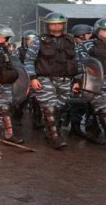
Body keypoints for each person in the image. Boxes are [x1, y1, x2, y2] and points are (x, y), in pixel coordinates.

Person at [24, 12, 80, 149]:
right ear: (48, 25)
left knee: (59, 109)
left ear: (63, 25)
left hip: (66, 80)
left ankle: (49, 133)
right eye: (53, 23)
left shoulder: (71, 40)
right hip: (44, 79)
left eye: (59, 23)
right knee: (49, 108)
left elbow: (77, 61)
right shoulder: (39, 40)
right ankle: (56, 137)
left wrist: (77, 80)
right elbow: (29, 60)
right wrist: (32, 78)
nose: (56, 26)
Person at [82, 18, 106, 144]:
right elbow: (81, 62)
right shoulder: (88, 44)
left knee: (94, 111)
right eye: (105, 30)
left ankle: (92, 131)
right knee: (104, 111)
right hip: (96, 83)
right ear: (97, 30)